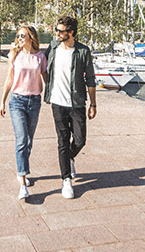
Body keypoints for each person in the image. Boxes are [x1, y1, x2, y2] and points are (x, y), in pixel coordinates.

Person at [44, 15, 96, 199]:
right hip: (57, 103)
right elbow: (41, 65)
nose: (57, 34)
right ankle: (66, 180)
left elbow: (90, 78)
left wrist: (93, 104)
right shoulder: (53, 47)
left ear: (71, 32)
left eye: (61, 31)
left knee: (80, 140)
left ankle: (69, 158)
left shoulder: (82, 51)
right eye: (56, 30)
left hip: (77, 103)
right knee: (62, 141)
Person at [0, 25, 47, 201]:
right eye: (18, 35)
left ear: (31, 37)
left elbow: (45, 78)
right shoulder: (14, 55)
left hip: (34, 102)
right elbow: (9, 79)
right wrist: (2, 101)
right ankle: (23, 183)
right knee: (21, 139)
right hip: (17, 101)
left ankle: (21, 170)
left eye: (22, 35)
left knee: (28, 141)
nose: (19, 38)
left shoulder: (40, 57)